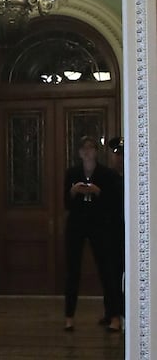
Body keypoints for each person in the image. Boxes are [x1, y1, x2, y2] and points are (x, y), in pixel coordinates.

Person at [62, 136, 119, 332]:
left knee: (107, 270)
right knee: (72, 271)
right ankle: (69, 317)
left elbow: (113, 204)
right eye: (83, 148)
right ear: (79, 153)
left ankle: (113, 316)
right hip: (76, 224)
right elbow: (66, 204)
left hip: (99, 225)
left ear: (96, 151)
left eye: (91, 148)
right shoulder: (71, 173)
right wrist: (73, 192)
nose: (87, 151)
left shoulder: (106, 174)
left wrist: (98, 192)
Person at [100, 136, 124, 332]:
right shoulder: (108, 177)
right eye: (117, 154)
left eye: (122, 153)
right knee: (110, 275)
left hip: (128, 232)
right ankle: (112, 314)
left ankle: (120, 314)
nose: (120, 158)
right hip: (110, 232)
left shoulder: (135, 175)